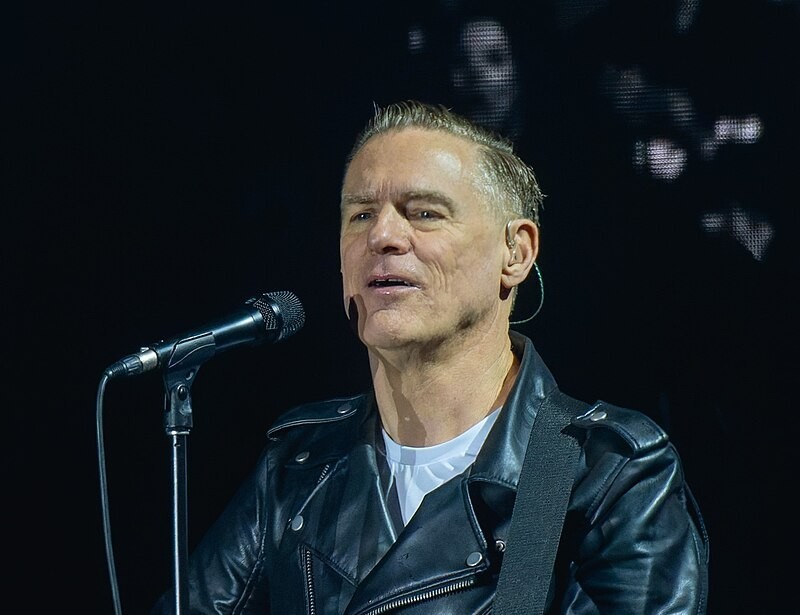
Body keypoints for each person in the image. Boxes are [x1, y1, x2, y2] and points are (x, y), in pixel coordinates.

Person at [151, 100, 709, 614]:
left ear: (515, 253)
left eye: (423, 213)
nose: (383, 236)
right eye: (360, 215)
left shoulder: (605, 471)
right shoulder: (300, 464)